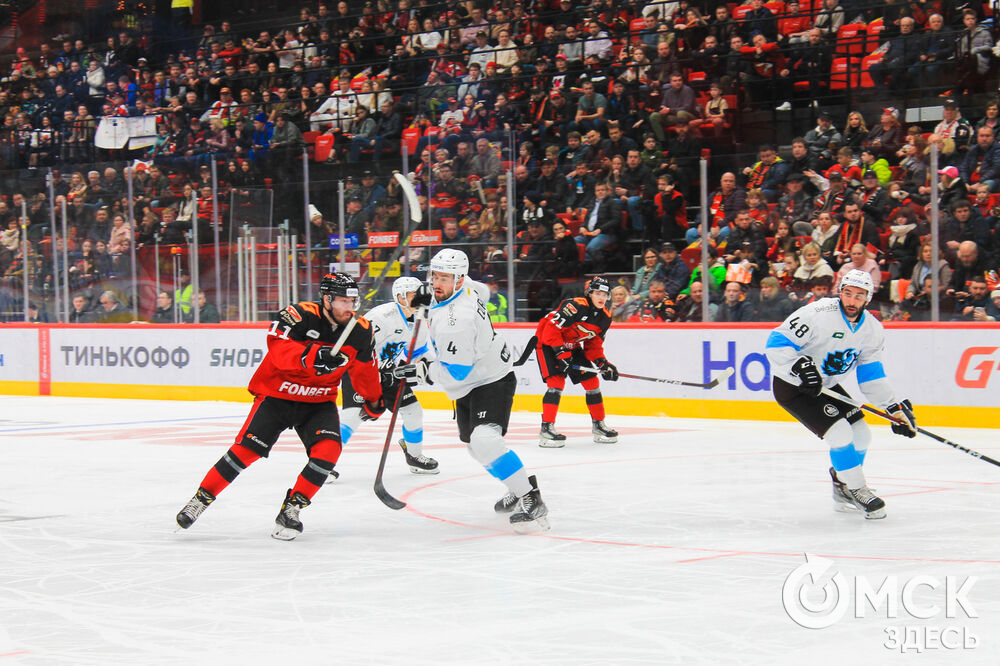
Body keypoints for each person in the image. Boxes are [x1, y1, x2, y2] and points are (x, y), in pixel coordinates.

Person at [175, 273, 386, 540]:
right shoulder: (298, 315)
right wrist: (311, 356)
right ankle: (201, 499)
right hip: (278, 395)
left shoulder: (361, 330)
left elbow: (365, 370)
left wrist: (374, 398)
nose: (350, 307)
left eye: (353, 301)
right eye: (343, 301)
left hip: (318, 402)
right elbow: (278, 349)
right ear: (326, 299)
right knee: (246, 451)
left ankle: (292, 508)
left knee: (329, 451)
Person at [403, 249, 549, 532]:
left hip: (489, 379)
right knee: (474, 446)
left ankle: (531, 498)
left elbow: (457, 372)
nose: (437, 283)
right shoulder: (469, 287)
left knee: (485, 441)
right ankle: (516, 485)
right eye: (435, 276)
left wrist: (423, 370)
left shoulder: (456, 322)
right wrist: (427, 299)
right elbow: (482, 290)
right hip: (476, 379)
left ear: (459, 279)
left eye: (445, 278)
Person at [765, 269, 917, 520]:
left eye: (859, 296)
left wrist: (893, 408)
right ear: (840, 292)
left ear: (868, 298)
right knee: (841, 434)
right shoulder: (818, 313)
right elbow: (776, 343)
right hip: (793, 386)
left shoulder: (872, 329)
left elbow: (871, 376)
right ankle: (856, 488)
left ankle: (841, 483)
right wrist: (800, 366)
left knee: (862, 435)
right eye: (847, 293)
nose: (851, 300)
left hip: (826, 383)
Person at [336, 277, 439, 477]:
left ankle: (414, 455)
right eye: (413, 296)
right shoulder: (382, 316)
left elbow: (419, 352)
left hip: (389, 373)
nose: (420, 299)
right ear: (400, 297)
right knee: (352, 418)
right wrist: (372, 377)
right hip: (360, 372)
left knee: (413, 411)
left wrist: (431, 366)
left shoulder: (420, 320)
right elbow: (355, 347)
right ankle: (323, 461)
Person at [530, 276, 619, 448]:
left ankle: (599, 425)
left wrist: (603, 364)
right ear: (589, 293)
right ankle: (546, 428)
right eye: (597, 293)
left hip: (571, 344)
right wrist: (561, 354)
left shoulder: (605, 318)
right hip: (547, 342)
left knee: (592, 382)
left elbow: (593, 345)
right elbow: (550, 330)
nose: (601, 297)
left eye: (605, 294)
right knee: (556, 382)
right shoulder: (575, 306)